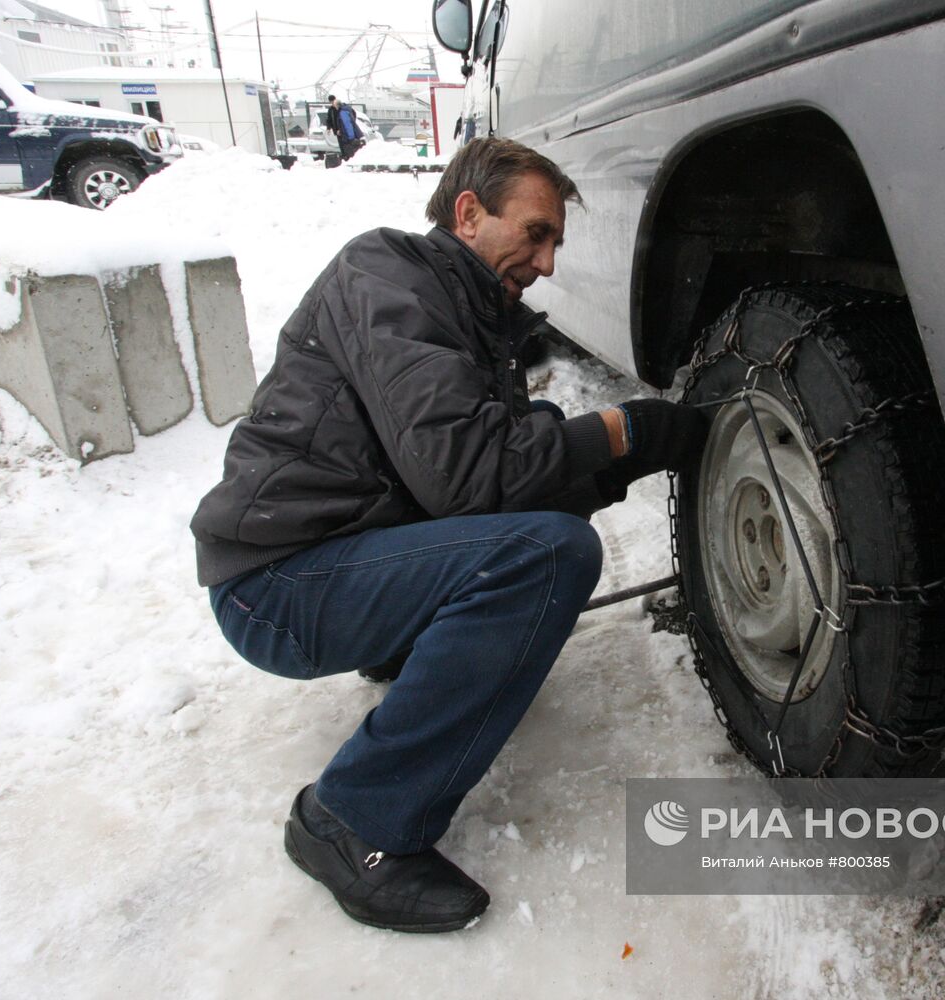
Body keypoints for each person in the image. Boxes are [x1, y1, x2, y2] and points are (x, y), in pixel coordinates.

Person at [190, 138, 708, 933]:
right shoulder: (386, 278)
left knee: (537, 514)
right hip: (276, 585)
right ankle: (353, 823)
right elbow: (468, 475)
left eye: (555, 243)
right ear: (468, 213)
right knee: (548, 555)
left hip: (337, 554)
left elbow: (495, 475)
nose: (545, 262)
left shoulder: (464, 311)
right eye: (534, 233)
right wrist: (616, 432)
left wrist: (618, 461)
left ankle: (404, 649)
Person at [326, 94, 364, 161]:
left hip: (344, 131)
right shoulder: (331, 110)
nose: (332, 104)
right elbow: (329, 120)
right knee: (342, 145)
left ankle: (348, 158)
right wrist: (329, 128)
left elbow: (348, 122)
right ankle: (345, 157)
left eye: (333, 102)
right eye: (331, 102)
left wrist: (350, 124)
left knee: (348, 145)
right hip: (338, 131)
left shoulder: (342, 109)